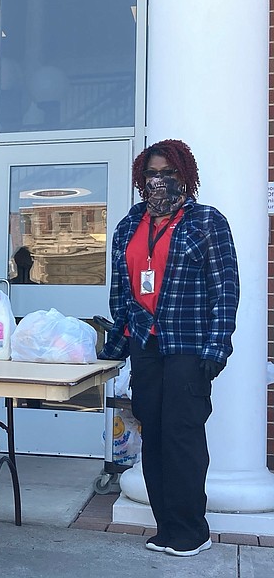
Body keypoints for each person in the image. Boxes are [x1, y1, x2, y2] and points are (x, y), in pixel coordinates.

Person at [100, 140, 239, 557]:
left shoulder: (206, 222)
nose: (158, 181)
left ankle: (191, 532)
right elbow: (121, 292)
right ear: (140, 180)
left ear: (185, 176)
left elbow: (225, 290)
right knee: (155, 437)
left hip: (189, 347)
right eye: (150, 174)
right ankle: (166, 528)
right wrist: (118, 343)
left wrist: (217, 350)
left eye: (168, 173)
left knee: (183, 438)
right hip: (146, 347)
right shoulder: (128, 225)